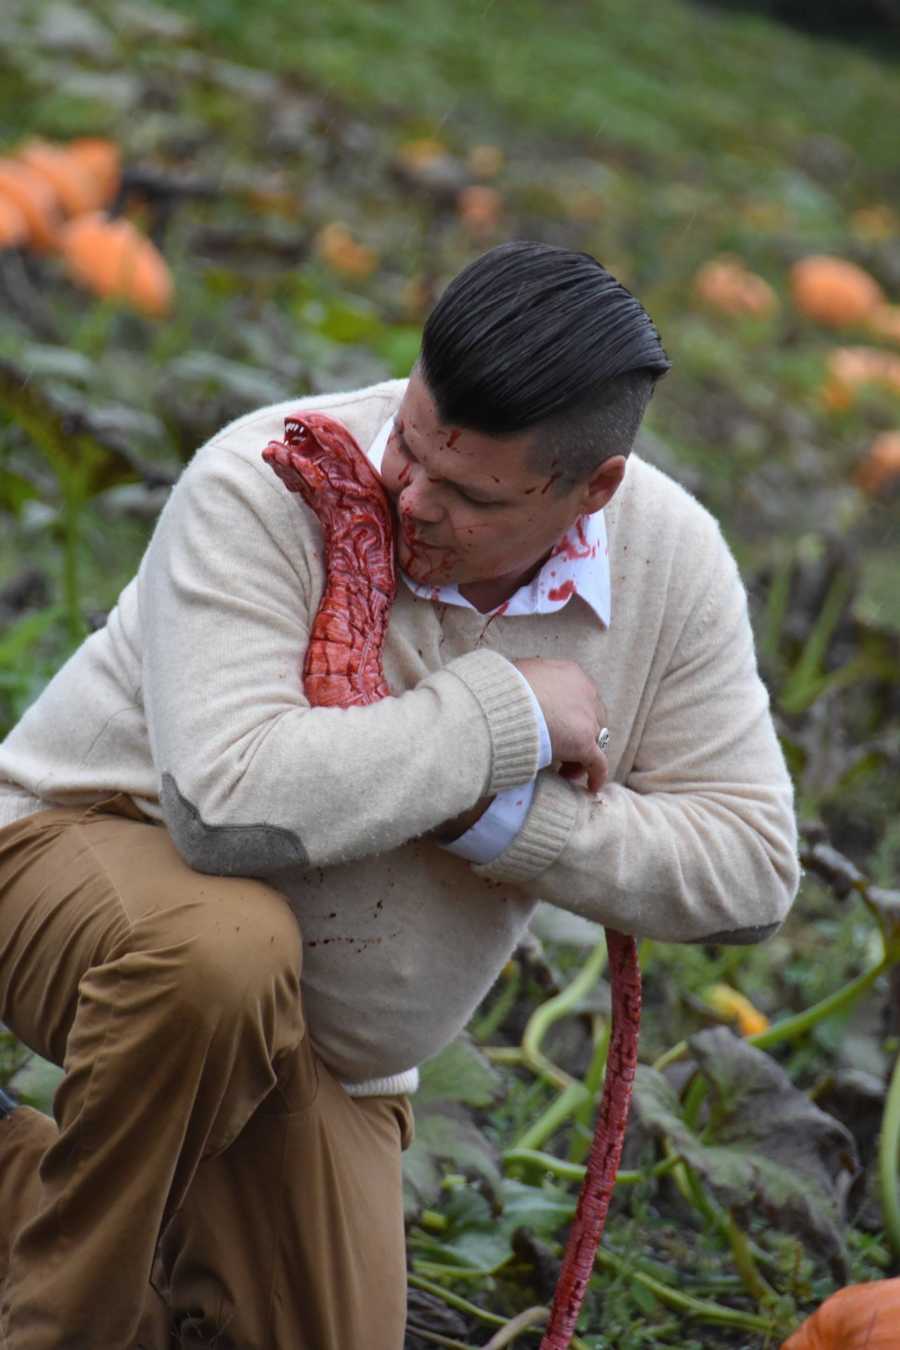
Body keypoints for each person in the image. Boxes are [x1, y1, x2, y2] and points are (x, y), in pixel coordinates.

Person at [0, 241, 799, 1349]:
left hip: (337, 1052)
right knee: (222, 957)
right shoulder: (266, 477)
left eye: (470, 494)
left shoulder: (675, 566)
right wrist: (502, 720)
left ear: (591, 490)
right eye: (411, 444)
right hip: (80, 870)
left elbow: (753, 870)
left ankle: (18, 1182)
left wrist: (502, 810)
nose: (409, 496)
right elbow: (227, 803)